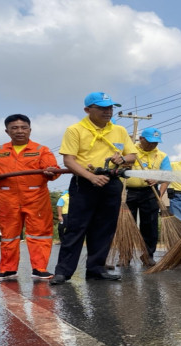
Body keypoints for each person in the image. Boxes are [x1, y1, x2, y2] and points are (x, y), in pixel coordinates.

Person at [50, 92, 137, 285]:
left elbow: (132, 155)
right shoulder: (75, 130)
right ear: (88, 110)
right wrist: (91, 177)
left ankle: (96, 269)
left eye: (110, 108)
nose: (108, 112)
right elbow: (69, 160)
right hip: (84, 184)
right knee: (75, 228)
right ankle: (63, 272)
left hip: (112, 183)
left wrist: (122, 159)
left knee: (104, 228)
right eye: (102, 108)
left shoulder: (120, 130)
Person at [0, 114, 59, 280]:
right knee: (9, 235)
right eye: (14, 128)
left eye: (24, 128)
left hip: (36, 197)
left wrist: (51, 171)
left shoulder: (41, 150)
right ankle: (8, 269)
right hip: (7, 198)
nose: (19, 131)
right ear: (7, 131)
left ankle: (40, 269)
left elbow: (53, 169)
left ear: (30, 130)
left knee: (39, 234)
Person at [124, 127, 171, 263]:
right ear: (141, 139)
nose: (153, 145)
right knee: (127, 224)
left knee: (150, 226)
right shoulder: (130, 151)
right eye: (150, 141)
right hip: (128, 192)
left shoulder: (162, 156)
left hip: (150, 192)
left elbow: (167, 175)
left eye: (156, 142)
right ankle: (125, 255)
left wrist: (159, 189)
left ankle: (148, 255)